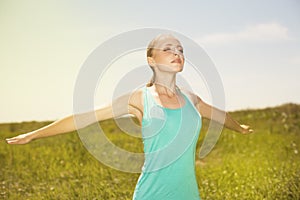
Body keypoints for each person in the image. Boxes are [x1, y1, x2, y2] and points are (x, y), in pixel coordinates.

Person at [6, 34, 253, 200]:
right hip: (151, 195)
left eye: (180, 50)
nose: (177, 53)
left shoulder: (191, 98)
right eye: (167, 49)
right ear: (150, 60)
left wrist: (239, 128)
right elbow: (84, 118)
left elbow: (219, 115)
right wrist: (34, 134)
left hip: (188, 194)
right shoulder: (138, 99)